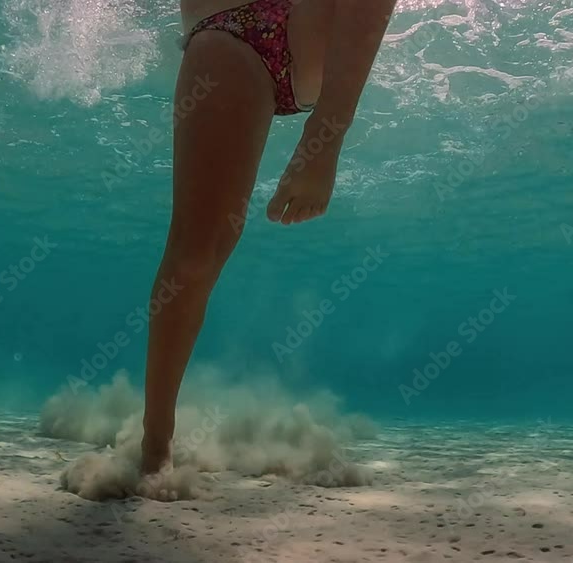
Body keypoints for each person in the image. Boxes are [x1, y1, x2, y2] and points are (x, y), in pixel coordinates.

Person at [141, 0, 398, 475]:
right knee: (199, 252)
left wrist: (326, 135)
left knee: (200, 253)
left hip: (308, 31)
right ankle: (155, 446)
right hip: (232, 30)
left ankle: (326, 128)